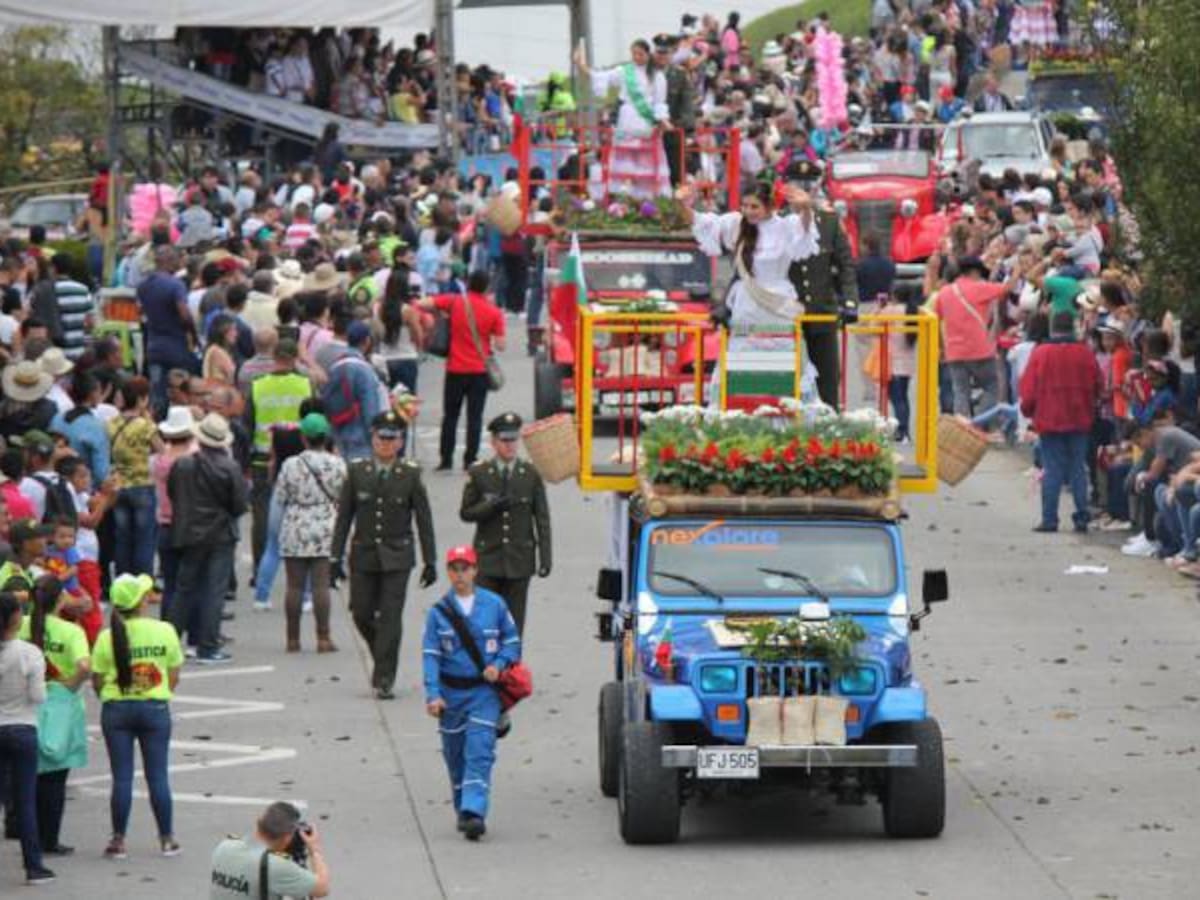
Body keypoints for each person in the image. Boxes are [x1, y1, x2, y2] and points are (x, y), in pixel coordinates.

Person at [679, 180, 820, 401]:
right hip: (746, 303)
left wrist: (805, 207)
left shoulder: (785, 226)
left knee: (783, 362)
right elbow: (698, 222)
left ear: (770, 206)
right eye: (745, 206)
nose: (748, 211)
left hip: (778, 305)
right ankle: (743, 408)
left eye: (754, 206)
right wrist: (682, 204)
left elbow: (805, 229)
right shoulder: (735, 224)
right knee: (744, 360)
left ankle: (786, 412)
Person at [332, 411, 436, 700]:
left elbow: (423, 519)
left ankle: (385, 675)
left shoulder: (410, 473)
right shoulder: (357, 471)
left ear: (401, 442)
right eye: (381, 438)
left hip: (397, 554)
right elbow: (344, 518)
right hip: (364, 553)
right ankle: (383, 652)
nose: (386, 444)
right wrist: (334, 558)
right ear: (372, 438)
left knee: (391, 616)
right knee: (361, 612)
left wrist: (431, 560)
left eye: (393, 438)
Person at [421, 545, 521, 841]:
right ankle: (462, 806)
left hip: (483, 694)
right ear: (448, 572)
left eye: (465, 568)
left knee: (479, 751)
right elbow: (430, 656)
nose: (460, 574)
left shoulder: (495, 605)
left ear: (475, 571)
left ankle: (474, 812)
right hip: (451, 696)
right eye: (454, 568)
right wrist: (432, 694)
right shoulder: (438, 613)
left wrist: (500, 665)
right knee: (455, 755)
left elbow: (512, 642)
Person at [91, 573, 183, 860]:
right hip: (154, 707)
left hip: (117, 709)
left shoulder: (107, 636)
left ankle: (118, 839)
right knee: (158, 776)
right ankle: (166, 838)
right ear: (142, 602)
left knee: (121, 778)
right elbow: (173, 673)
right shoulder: (164, 630)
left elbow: (97, 678)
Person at [460, 413, 551, 637]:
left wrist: (545, 557)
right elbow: (466, 513)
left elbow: (542, 518)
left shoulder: (530, 473)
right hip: (488, 558)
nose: (510, 446)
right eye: (504, 440)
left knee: (513, 623)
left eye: (513, 440)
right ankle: (487, 668)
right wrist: (489, 506)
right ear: (493, 442)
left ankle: (511, 669)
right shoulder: (480, 473)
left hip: (520, 559)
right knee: (486, 622)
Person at [167, 413, 248, 664]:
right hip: (220, 534)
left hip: (188, 532)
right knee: (214, 590)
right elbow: (239, 504)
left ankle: (168, 643)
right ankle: (208, 645)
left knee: (184, 589)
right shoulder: (229, 467)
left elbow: (173, 493)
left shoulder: (182, 465)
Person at [22, 576, 89, 857]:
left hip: (25, 702)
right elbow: (84, 666)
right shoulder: (71, 631)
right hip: (60, 706)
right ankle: (50, 838)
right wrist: (68, 686)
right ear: (60, 599)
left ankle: (28, 834)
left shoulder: (24, 625)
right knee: (55, 778)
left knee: (28, 777)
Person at [785, 160, 861, 407]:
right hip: (786, 313)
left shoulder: (828, 221)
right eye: (798, 185)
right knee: (786, 378)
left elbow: (845, 264)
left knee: (827, 379)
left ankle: (828, 433)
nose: (804, 190)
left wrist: (850, 301)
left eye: (809, 185)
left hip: (821, 310)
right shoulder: (776, 220)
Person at [1020, 311, 1103, 533]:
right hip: (1079, 417)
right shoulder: (1085, 353)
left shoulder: (1041, 353)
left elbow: (1028, 389)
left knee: (1052, 468)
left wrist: (1028, 412)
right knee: (1078, 467)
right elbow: (1098, 384)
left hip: (1049, 418)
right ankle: (1082, 516)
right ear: (1073, 328)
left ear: (1052, 329)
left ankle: (1050, 518)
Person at [418, 270, 506, 471]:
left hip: (455, 369)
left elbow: (423, 304)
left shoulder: (455, 301)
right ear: (486, 288)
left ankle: (446, 459)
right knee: (474, 417)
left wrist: (436, 318)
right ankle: (470, 459)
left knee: (450, 415)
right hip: (479, 371)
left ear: (468, 284)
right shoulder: (494, 312)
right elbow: (501, 345)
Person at [276, 413, 346, 653]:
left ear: (303, 437)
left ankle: (292, 638)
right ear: (325, 436)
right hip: (326, 526)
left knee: (294, 586)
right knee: (321, 586)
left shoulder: (290, 464)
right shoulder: (337, 463)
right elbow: (343, 495)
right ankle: (323, 637)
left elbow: (281, 497)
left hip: (295, 525)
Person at [0, 591, 55, 884]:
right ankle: (33, 865)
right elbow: (38, 696)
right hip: (22, 727)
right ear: (15, 618)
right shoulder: (29, 653)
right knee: (25, 801)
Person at [574, 39, 672, 198]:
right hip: (627, 122)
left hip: (646, 125)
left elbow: (660, 101)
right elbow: (601, 76)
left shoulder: (658, 76)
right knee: (625, 165)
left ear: (649, 55)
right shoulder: (625, 71)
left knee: (646, 165)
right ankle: (624, 199)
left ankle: (648, 200)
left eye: (640, 53)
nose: (636, 57)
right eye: (634, 53)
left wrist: (663, 120)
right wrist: (581, 65)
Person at [247, 339, 312, 572]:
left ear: (274, 356)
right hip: (301, 458)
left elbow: (247, 424)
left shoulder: (257, 386)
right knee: (302, 511)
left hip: (264, 457)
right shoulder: (306, 384)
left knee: (262, 516)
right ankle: (302, 564)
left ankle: (259, 569)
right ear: (295, 358)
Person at [932, 256, 1019, 418]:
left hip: (954, 351)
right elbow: (1009, 288)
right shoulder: (980, 288)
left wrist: (941, 347)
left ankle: (963, 428)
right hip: (979, 349)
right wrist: (1018, 269)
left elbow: (935, 320)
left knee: (960, 391)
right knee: (993, 387)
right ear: (974, 272)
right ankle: (980, 420)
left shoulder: (944, 292)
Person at [209, 801, 331, 900]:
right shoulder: (276, 866)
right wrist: (315, 850)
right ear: (287, 837)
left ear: (258, 823)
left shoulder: (225, 846)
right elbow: (322, 889)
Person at [108, 377, 161, 577]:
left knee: (123, 538)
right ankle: (143, 582)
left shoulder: (112, 423)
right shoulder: (145, 425)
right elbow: (161, 450)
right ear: (142, 399)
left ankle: (123, 579)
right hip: (143, 485)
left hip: (118, 485)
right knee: (144, 538)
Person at [150, 406, 197, 623]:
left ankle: (167, 630)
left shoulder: (159, 461)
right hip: (191, 525)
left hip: (166, 524)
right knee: (193, 582)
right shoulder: (194, 460)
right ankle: (194, 634)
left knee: (170, 583)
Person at [139, 246, 197, 418]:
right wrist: (192, 333)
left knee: (157, 393)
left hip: (153, 346)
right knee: (182, 390)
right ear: (170, 261)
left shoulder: (144, 286)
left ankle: (159, 426)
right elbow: (184, 314)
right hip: (176, 347)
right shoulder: (175, 284)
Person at [322, 320, 387, 461]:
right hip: (360, 437)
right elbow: (370, 408)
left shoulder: (336, 366)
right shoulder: (364, 370)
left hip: (339, 435)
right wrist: (376, 436)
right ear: (367, 341)